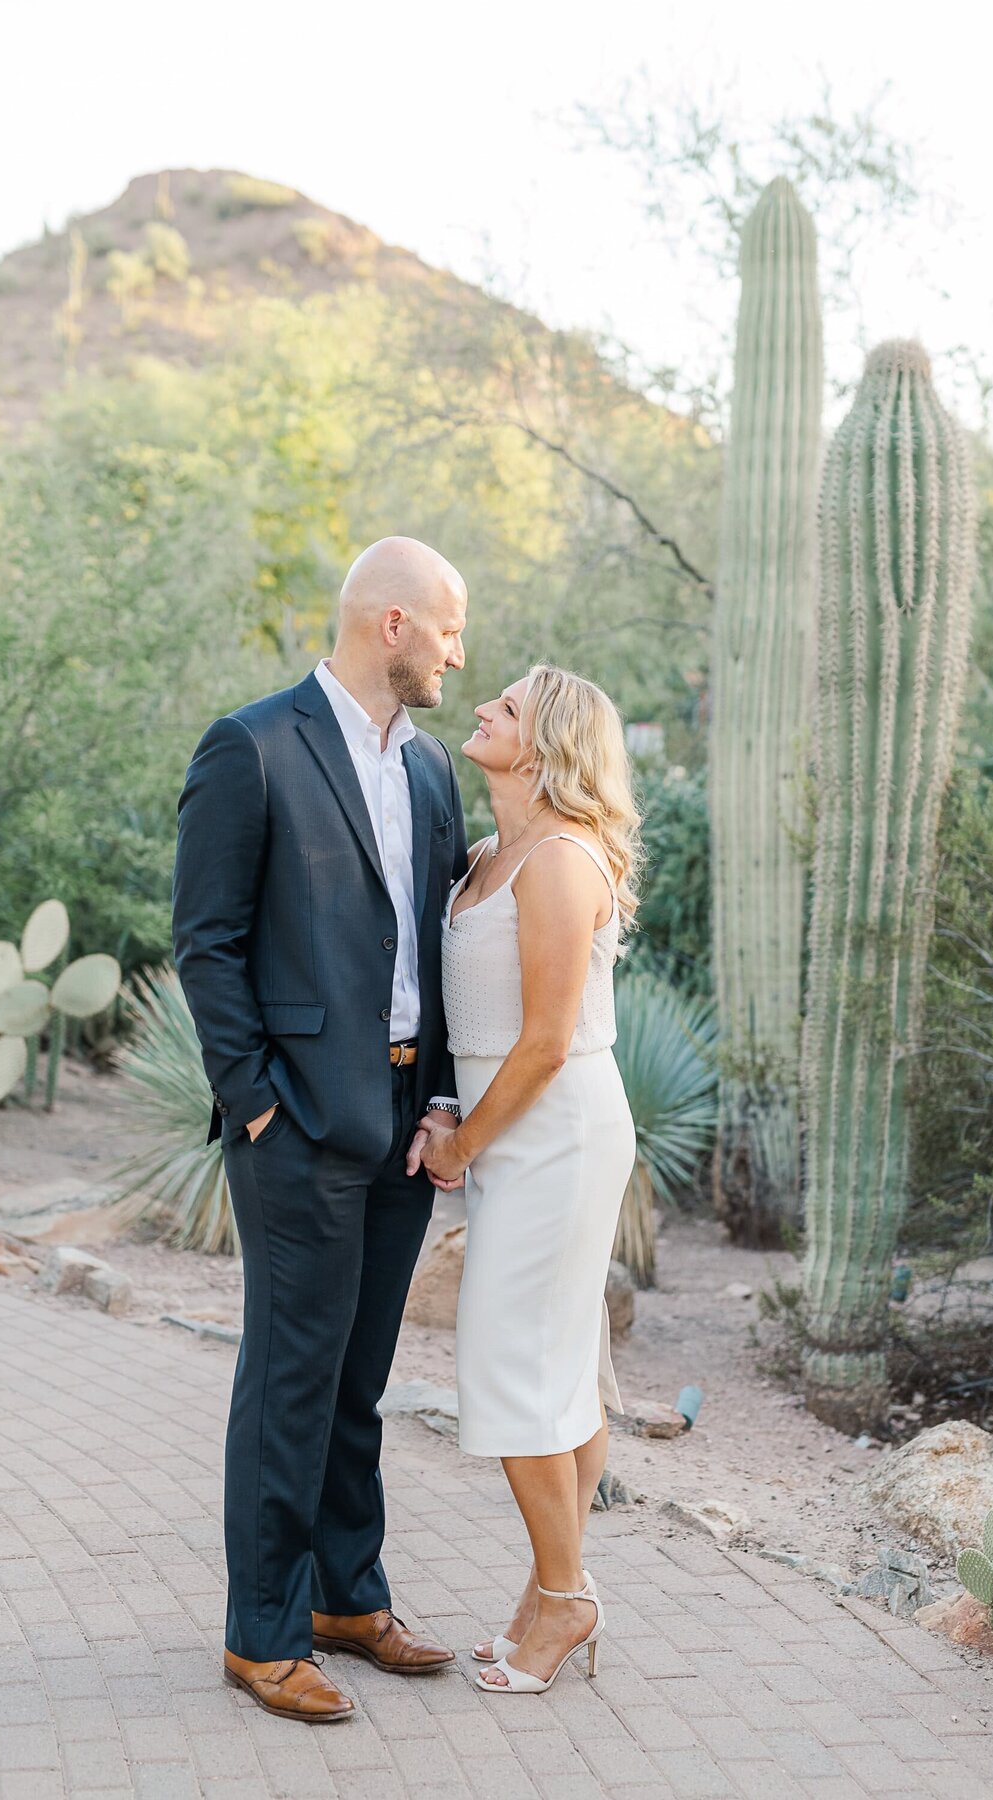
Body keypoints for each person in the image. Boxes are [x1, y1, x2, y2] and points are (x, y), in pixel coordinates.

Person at [172, 536, 470, 1723]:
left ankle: (350, 1596)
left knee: (360, 1377)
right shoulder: (251, 746)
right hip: (295, 1123)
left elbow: (438, 949)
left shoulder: (435, 768)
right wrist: (254, 1107)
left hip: (404, 1121)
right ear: (391, 623)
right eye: (449, 628)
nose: (459, 651)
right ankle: (262, 1634)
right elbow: (207, 942)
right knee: (292, 1376)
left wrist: (442, 1097)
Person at [417, 663, 640, 1695]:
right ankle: (554, 1590)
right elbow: (487, 1027)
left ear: (547, 742)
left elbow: (547, 1041)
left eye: (503, 706)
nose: (480, 709)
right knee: (554, 1369)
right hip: (514, 1125)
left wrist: (463, 1149)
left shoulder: (557, 859)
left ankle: (565, 1599)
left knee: (511, 1369)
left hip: (558, 1134)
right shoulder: (487, 855)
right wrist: (456, 1111)